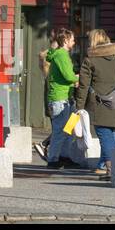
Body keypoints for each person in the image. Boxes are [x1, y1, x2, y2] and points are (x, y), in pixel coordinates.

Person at [73, 29, 115, 176]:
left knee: (105, 137)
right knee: (114, 137)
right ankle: (114, 168)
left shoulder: (89, 60)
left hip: (99, 106)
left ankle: (112, 170)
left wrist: (79, 107)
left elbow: (83, 86)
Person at [39, 29, 79, 168]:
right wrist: (78, 78)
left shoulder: (61, 54)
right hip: (60, 99)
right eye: (73, 39)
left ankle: (64, 157)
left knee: (68, 129)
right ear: (66, 40)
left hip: (66, 98)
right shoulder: (62, 55)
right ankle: (53, 159)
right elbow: (68, 76)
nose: (74, 42)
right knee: (60, 130)